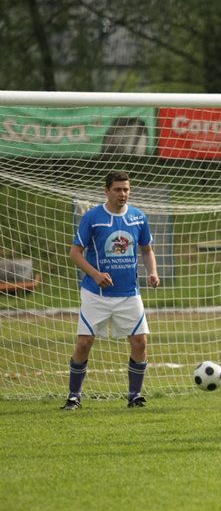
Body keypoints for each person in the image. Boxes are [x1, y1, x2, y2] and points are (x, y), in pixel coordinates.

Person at [61, 170, 160, 410]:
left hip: (129, 294)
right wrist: (95, 274)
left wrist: (153, 272)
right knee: (84, 343)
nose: (122, 194)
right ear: (106, 191)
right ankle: (74, 397)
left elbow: (147, 250)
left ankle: (135, 396)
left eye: (126, 189)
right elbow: (75, 253)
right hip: (96, 294)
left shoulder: (138, 217)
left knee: (140, 342)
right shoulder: (93, 217)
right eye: (117, 189)